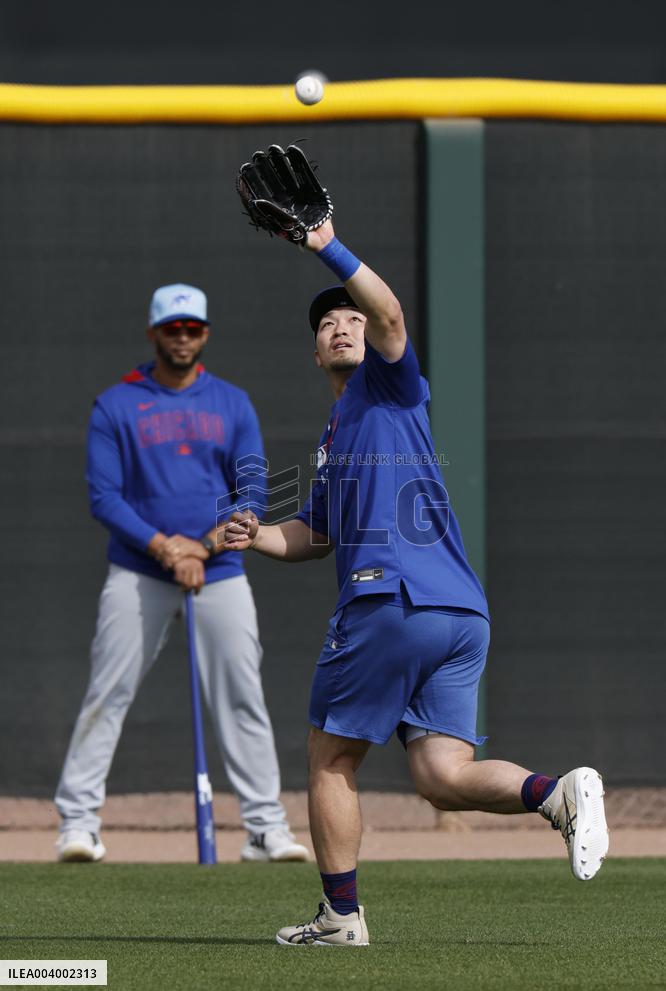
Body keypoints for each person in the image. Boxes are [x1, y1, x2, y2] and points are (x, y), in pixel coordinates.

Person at [222, 222, 609, 945]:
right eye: (328, 323)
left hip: (390, 599)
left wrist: (323, 243)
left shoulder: (390, 385)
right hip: (457, 611)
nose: (341, 326)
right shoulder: (340, 433)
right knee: (439, 773)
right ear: (314, 351)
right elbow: (316, 534)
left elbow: (392, 315)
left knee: (331, 757)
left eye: (351, 318)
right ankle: (557, 794)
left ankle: (341, 917)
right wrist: (258, 536)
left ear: (371, 339)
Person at [54, 283, 309, 865]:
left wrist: (199, 548)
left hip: (219, 571)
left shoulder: (233, 403)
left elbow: (254, 493)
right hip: (138, 570)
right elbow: (104, 497)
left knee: (242, 694)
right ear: (153, 334)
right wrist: (166, 549)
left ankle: (264, 828)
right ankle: (78, 822)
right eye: (173, 329)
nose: (183, 337)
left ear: (206, 334)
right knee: (107, 692)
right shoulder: (115, 403)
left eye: (192, 328)